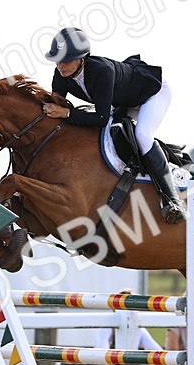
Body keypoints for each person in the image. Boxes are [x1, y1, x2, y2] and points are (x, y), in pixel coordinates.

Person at [43, 27, 185, 223]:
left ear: (81, 59)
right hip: (123, 101)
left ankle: (172, 199)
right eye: (57, 59)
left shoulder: (101, 71)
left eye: (65, 60)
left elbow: (100, 118)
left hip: (152, 93)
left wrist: (67, 113)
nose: (60, 65)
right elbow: (55, 104)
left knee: (142, 135)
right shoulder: (61, 75)